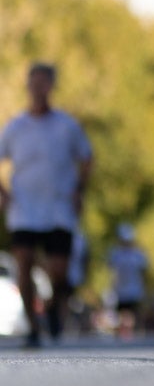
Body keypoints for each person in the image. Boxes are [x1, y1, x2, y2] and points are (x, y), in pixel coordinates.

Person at [0, 62, 94, 348]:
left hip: (58, 208)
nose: (38, 88)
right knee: (24, 264)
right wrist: (2, 194)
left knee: (60, 272)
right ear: (28, 86)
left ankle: (54, 307)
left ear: (51, 87)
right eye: (34, 83)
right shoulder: (15, 127)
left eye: (44, 83)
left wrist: (79, 190)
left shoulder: (66, 126)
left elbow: (87, 158)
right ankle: (32, 328)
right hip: (25, 208)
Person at [107, 222, 149, 338]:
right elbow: (112, 270)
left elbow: (143, 272)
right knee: (122, 312)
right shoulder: (116, 253)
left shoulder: (138, 254)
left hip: (134, 289)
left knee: (132, 312)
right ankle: (123, 333)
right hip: (121, 289)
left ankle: (133, 333)